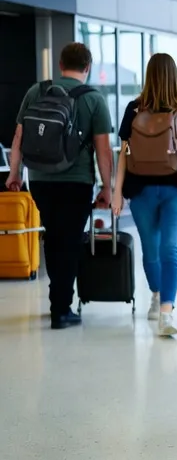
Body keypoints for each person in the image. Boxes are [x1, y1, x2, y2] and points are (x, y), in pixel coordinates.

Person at [6, 43, 114, 330]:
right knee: (67, 242)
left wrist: (15, 173)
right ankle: (61, 309)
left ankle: (59, 302)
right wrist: (107, 187)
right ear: (88, 67)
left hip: (40, 179)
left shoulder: (36, 91)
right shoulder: (94, 99)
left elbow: (18, 136)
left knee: (54, 238)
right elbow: (103, 150)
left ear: (60, 64)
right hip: (76, 181)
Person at [111, 53, 177, 337]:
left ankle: (166, 310)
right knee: (152, 250)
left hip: (176, 190)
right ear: (174, 76)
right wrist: (116, 191)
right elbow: (125, 151)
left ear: (148, 75)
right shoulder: (137, 109)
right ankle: (156, 293)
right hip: (143, 189)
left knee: (169, 249)